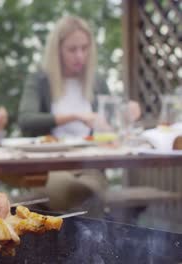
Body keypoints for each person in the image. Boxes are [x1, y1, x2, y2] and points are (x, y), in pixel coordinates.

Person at [17, 16, 140, 213]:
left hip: (90, 165)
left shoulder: (97, 81)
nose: (80, 56)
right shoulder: (40, 80)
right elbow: (26, 120)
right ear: (57, 51)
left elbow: (109, 123)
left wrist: (125, 114)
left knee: (87, 194)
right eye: (72, 49)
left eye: (85, 48)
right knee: (71, 194)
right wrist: (76, 116)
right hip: (51, 166)